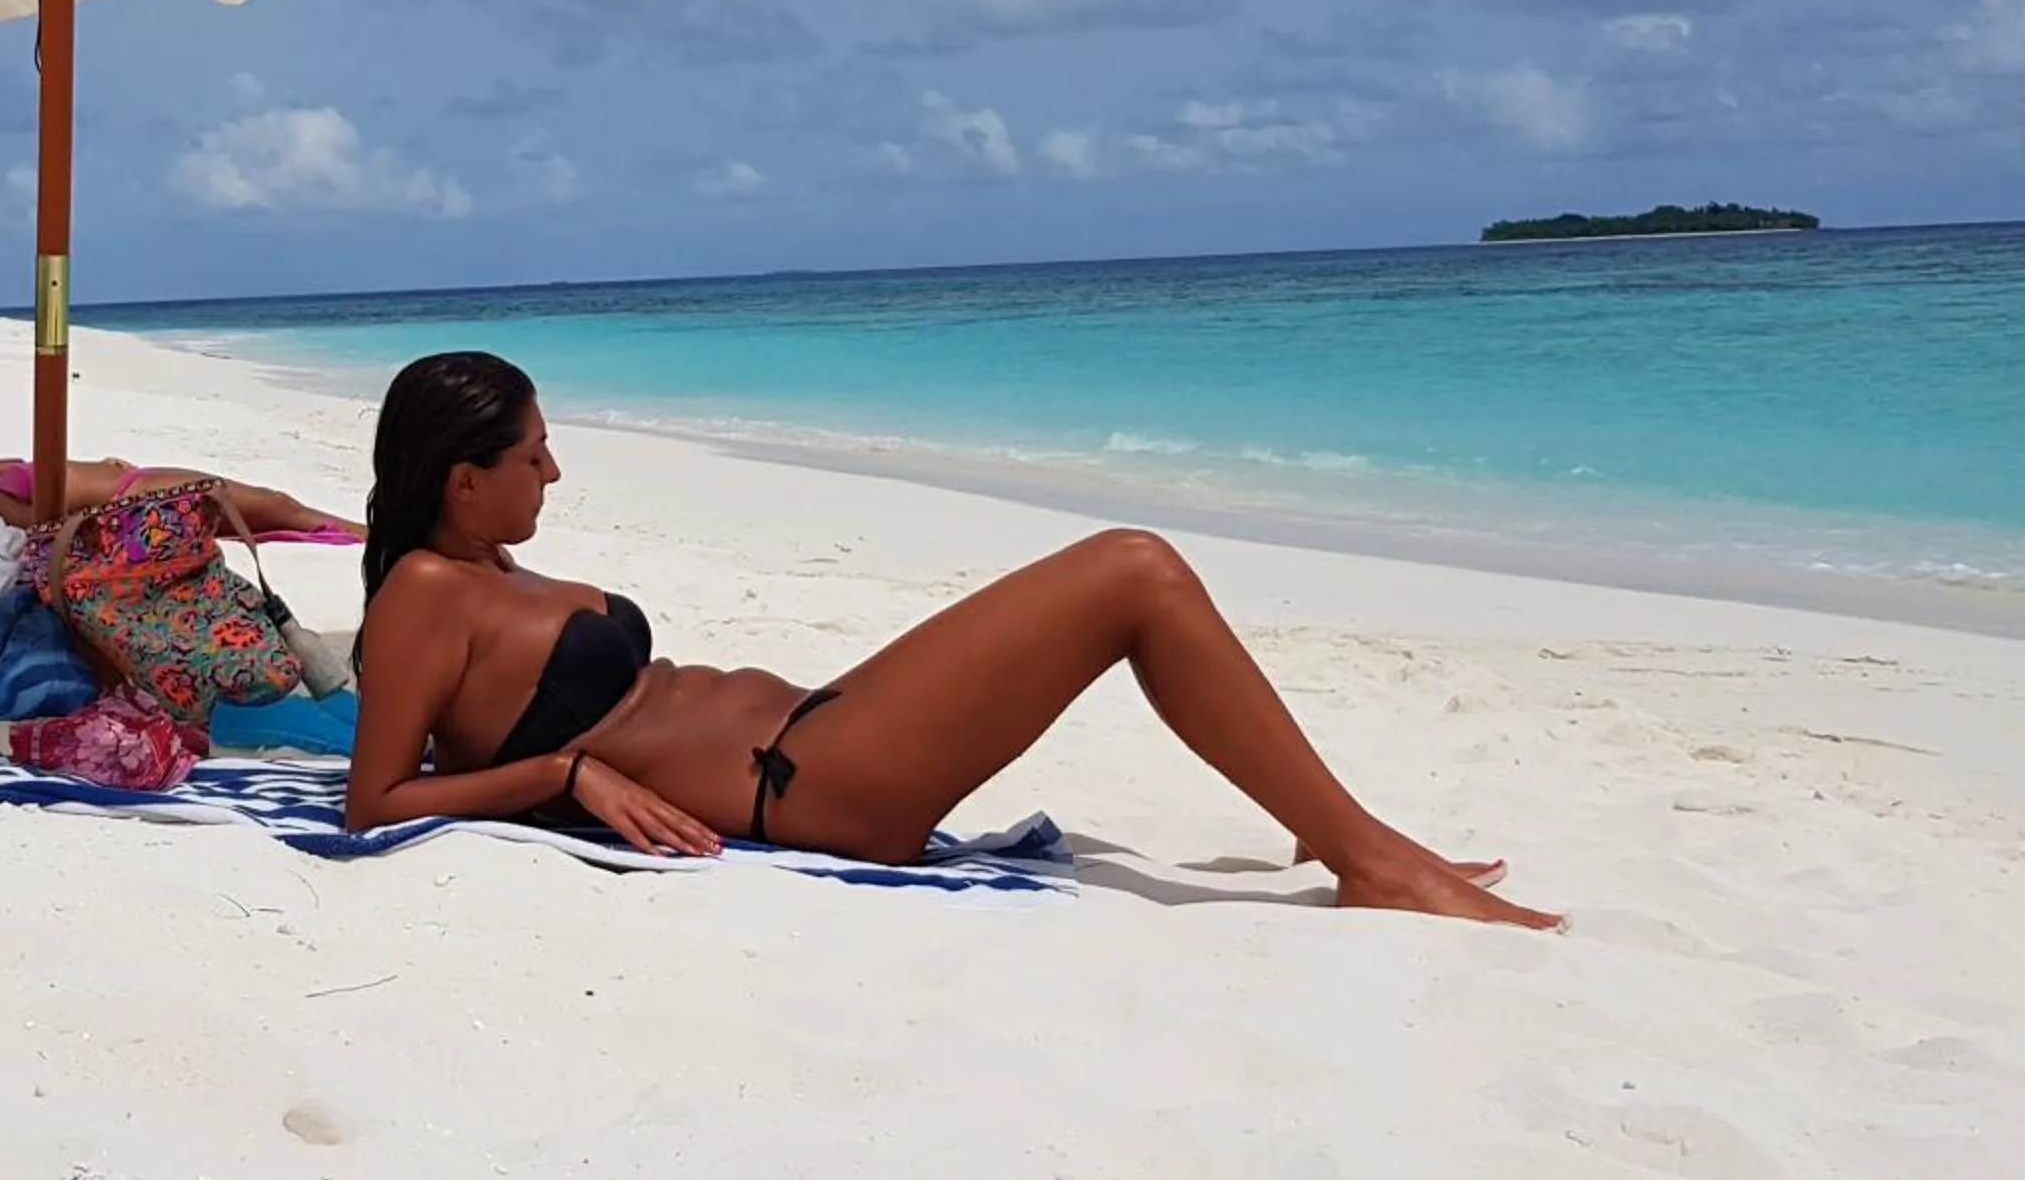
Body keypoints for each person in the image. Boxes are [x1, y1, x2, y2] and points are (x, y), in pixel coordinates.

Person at [349, 352, 1561, 929]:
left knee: (1122, 582)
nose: (555, 468)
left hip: (812, 735)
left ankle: (1328, 822)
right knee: (1134, 570)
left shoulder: (483, 566)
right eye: (533, 454)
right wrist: (567, 773)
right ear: (464, 482)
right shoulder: (422, 598)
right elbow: (376, 800)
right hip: (803, 789)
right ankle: (1372, 862)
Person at [0, 455, 356, 540]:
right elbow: (43, 524)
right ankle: (377, 535)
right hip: (141, 497)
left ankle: (372, 531)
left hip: (135, 480)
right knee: (279, 508)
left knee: (276, 509)